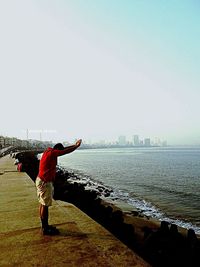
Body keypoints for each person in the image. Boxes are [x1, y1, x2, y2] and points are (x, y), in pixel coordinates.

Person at [36, 139, 82, 235]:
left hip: (41, 180)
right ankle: (45, 228)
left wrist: (73, 144)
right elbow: (64, 151)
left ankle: (45, 226)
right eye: (58, 152)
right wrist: (76, 146)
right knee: (45, 205)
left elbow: (63, 149)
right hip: (45, 182)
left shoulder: (48, 151)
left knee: (42, 204)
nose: (58, 154)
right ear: (57, 150)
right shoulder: (52, 153)